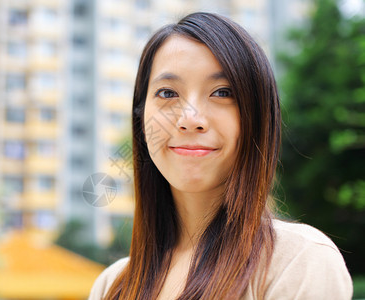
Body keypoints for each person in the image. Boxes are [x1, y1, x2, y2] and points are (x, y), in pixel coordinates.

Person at [89, 12, 353, 300]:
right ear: (140, 118)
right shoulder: (112, 285)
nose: (190, 119)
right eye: (167, 93)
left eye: (222, 92)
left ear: (256, 117)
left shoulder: (298, 261)